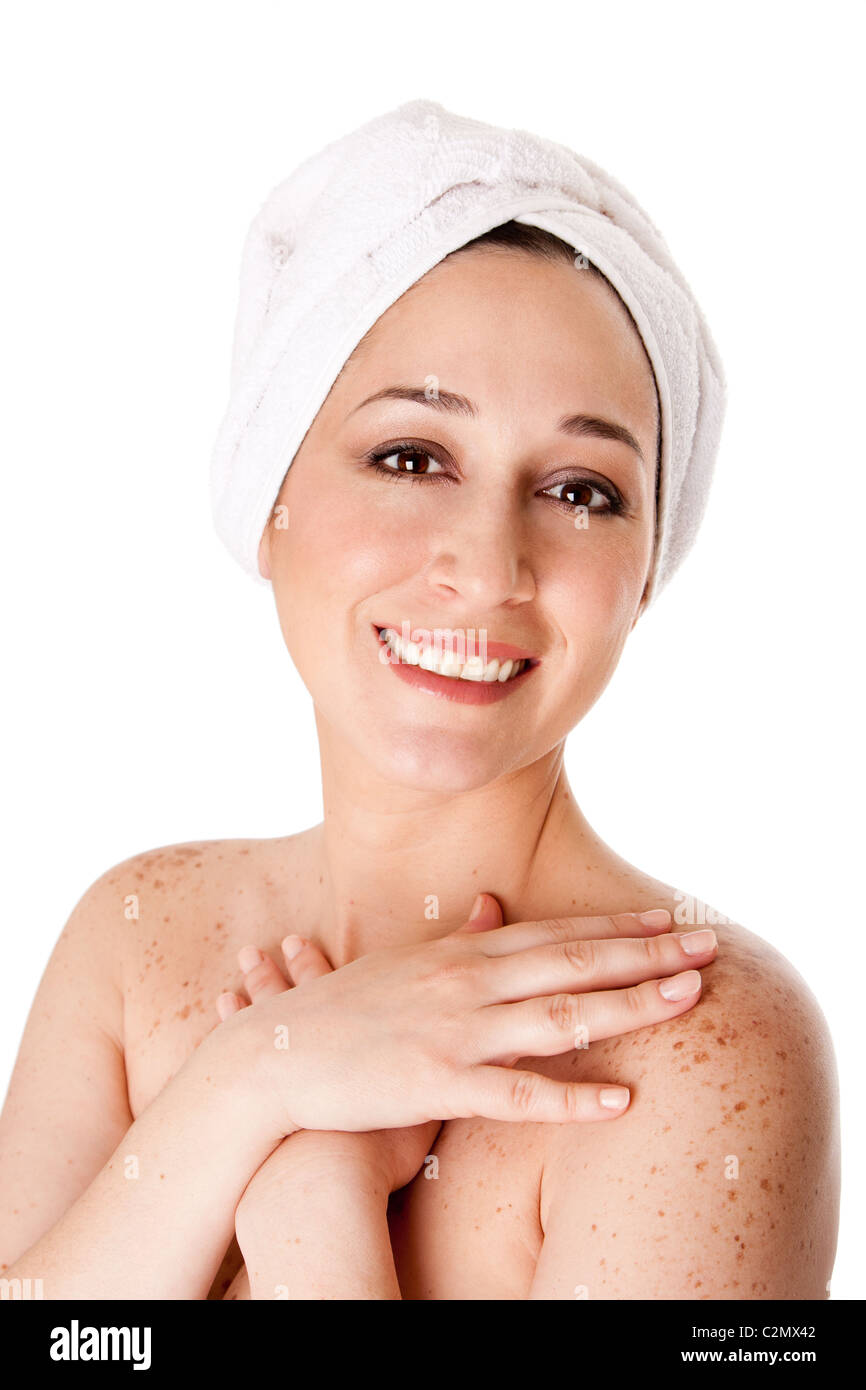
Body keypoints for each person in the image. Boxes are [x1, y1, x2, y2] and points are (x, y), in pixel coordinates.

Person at [0, 107, 839, 1300]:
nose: (488, 566)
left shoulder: (702, 1044)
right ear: (266, 487)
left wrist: (314, 1206)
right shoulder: (134, 939)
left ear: (645, 568)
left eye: (580, 488)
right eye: (410, 457)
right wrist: (250, 1082)